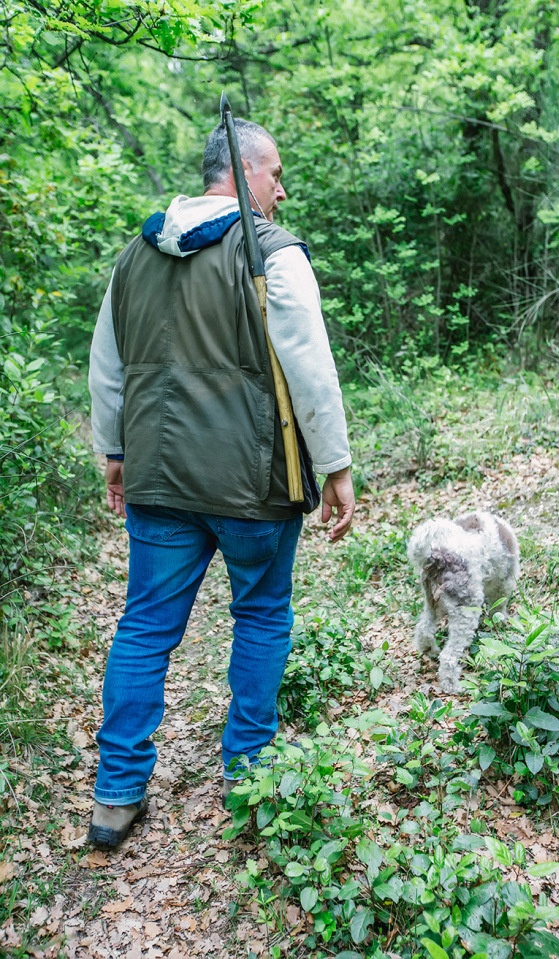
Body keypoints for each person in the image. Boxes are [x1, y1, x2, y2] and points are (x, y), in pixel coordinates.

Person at [87, 117, 355, 847]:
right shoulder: (274, 252)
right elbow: (311, 366)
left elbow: (108, 367)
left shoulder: (133, 255)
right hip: (252, 485)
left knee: (144, 626)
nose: (282, 189)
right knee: (262, 614)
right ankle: (250, 776)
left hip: (158, 478)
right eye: (276, 175)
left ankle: (116, 796)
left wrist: (112, 448)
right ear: (245, 171)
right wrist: (336, 465)